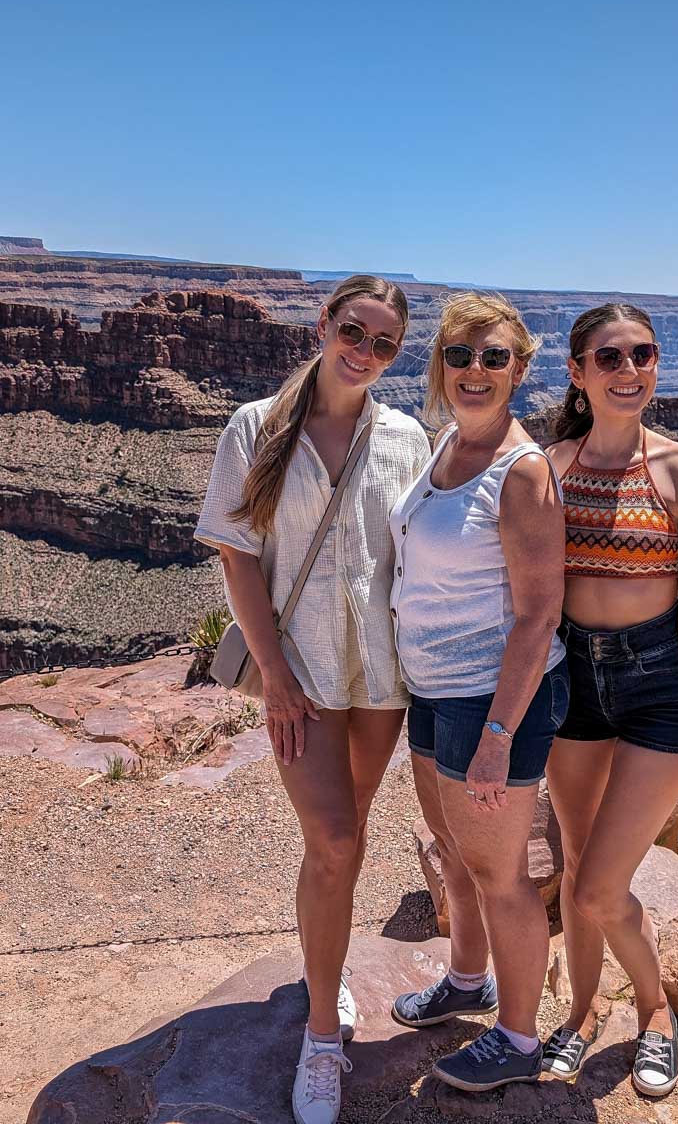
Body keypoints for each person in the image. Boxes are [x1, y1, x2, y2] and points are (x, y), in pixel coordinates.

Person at [194, 275, 430, 1124]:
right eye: (353, 332)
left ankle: (318, 972)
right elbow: (236, 560)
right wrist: (276, 678)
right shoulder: (255, 427)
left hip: (383, 675)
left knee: (351, 833)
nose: (363, 353)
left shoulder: (406, 437)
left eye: (383, 344)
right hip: (304, 674)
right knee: (332, 839)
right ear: (323, 324)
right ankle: (323, 1036)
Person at [541, 303, 678, 1096]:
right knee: (573, 866)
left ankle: (656, 1011)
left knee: (601, 883)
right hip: (574, 685)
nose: (629, 371)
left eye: (644, 355)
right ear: (578, 371)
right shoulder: (549, 466)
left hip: (660, 684)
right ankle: (583, 1011)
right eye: (610, 358)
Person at [387, 291, 569, 1093]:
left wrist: (498, 736)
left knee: (501, 877)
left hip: (489, 701)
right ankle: (468, 981)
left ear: (520, 369)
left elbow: (539, 618)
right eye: (459, 355)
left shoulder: (520, 472)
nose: (474, 370)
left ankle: (519, 1039)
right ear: (440, 365)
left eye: (494, 357)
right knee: (454, 855)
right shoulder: (445, 446)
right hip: (432, 691)